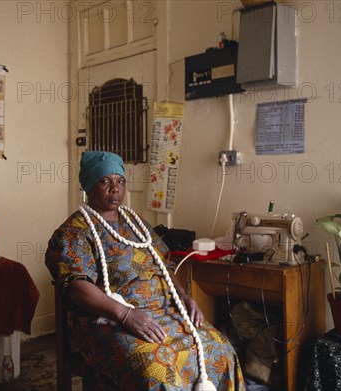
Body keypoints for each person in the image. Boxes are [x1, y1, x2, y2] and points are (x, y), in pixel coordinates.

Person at [45, 151, 245, 390]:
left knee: (221, 352)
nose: (115, 188)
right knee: (157, 371)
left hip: (164, 311)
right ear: (89, 185)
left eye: (120, 181)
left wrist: (183, 296)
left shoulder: (136, 222)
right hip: (112, 321)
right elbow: (75, 287)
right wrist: (126, 315)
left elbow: (163, 264)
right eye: (105, 181)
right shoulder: (73, 232)